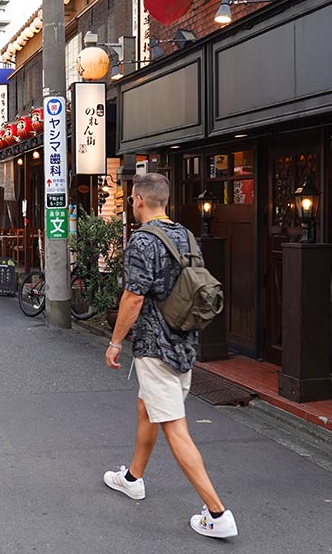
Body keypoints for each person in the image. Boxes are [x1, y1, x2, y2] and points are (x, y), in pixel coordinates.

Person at [102, 172, 237, 540]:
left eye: (131, 199)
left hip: (155, 345)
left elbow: (134, 296)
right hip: (185, 340)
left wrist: (115, 342)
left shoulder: (142, 242)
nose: (131, 204)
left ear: (140, 201)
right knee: (148, 408)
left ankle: (217, 512)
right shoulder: (187, 235)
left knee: (175, 425)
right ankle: (133, 477)